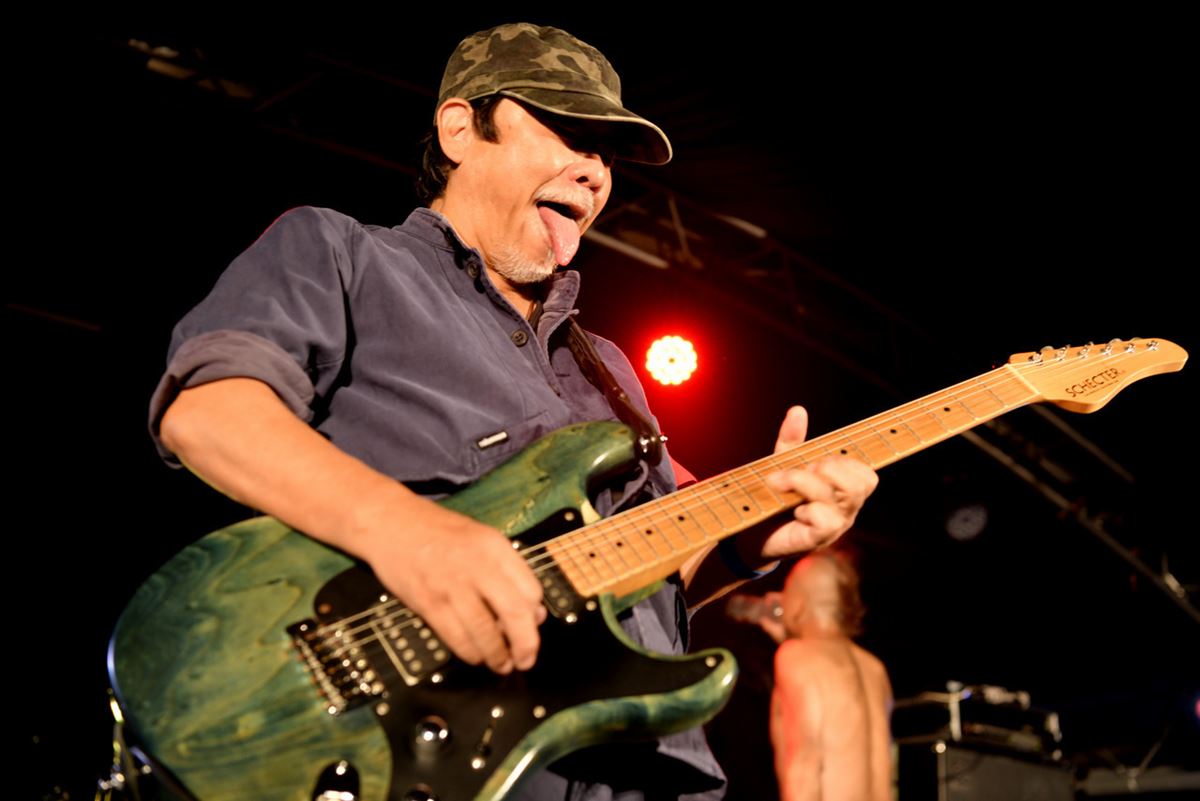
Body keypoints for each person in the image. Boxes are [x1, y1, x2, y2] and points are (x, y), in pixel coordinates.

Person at [149, 22, 879, 800]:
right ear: (460, 129)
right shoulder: (342, 254)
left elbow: (640, 578)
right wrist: (407, 531)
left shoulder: (612, 370)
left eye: (606, 154)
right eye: (567, 130)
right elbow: (209, 410)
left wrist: (752, 537)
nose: (594, 171)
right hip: (443, 762)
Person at [762, 551, 893, 801]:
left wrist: (792, 645)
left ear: (798, 605)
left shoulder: (795, 656)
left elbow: (805, 765)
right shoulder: (874, 668)